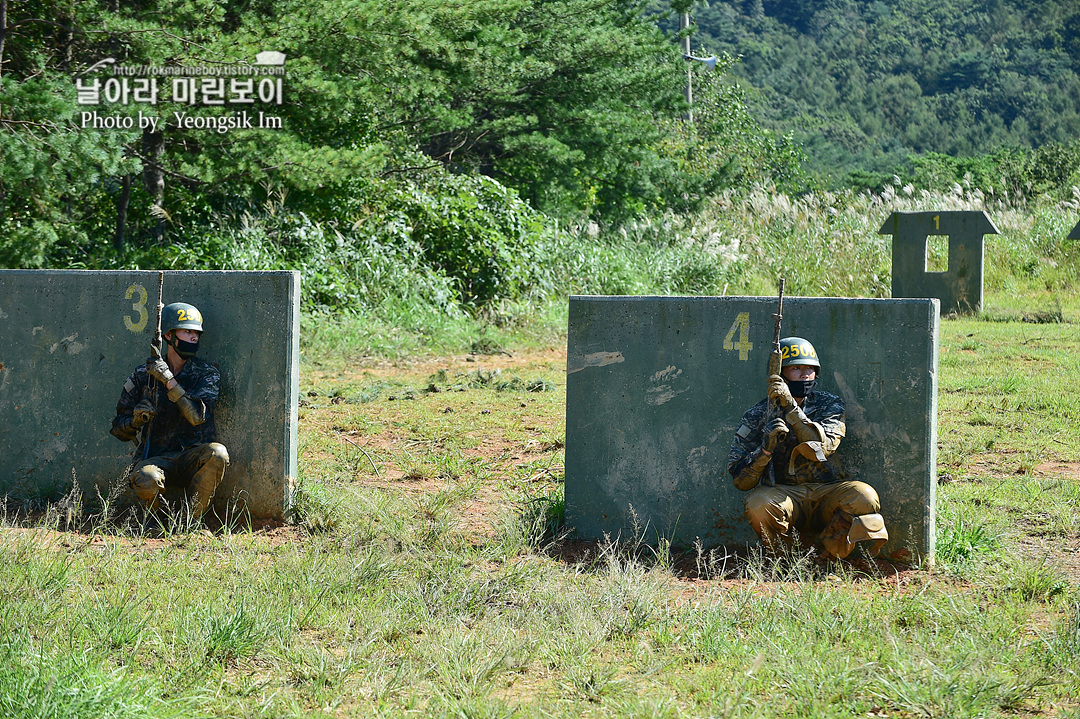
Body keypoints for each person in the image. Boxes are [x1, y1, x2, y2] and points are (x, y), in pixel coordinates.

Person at [727, 337, 888, 559]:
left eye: (810, 369)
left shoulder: (829, 405)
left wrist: (790, 407)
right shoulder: (758, 414)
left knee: (864, 496)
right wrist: (764, 451)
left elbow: (820, 450)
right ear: (781, 373)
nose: (805, 375)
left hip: (828, 492)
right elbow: (741, 481)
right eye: (796, 368)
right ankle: (786, 560)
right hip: (785, 494)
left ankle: (828, 557)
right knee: (758, 504)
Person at [111, 302, 229, 527]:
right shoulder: (142, 376)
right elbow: (118, 427)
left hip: (192, 457)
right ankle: (154, 525)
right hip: (155, 459)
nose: (194, 337)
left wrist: (168, 381)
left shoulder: (206, 374)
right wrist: (136, 420)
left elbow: (196, 417)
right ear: (168, 335)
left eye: (196, 333)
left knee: (218, 453)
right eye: (187, 331)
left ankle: (191, 523)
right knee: (146, 478)